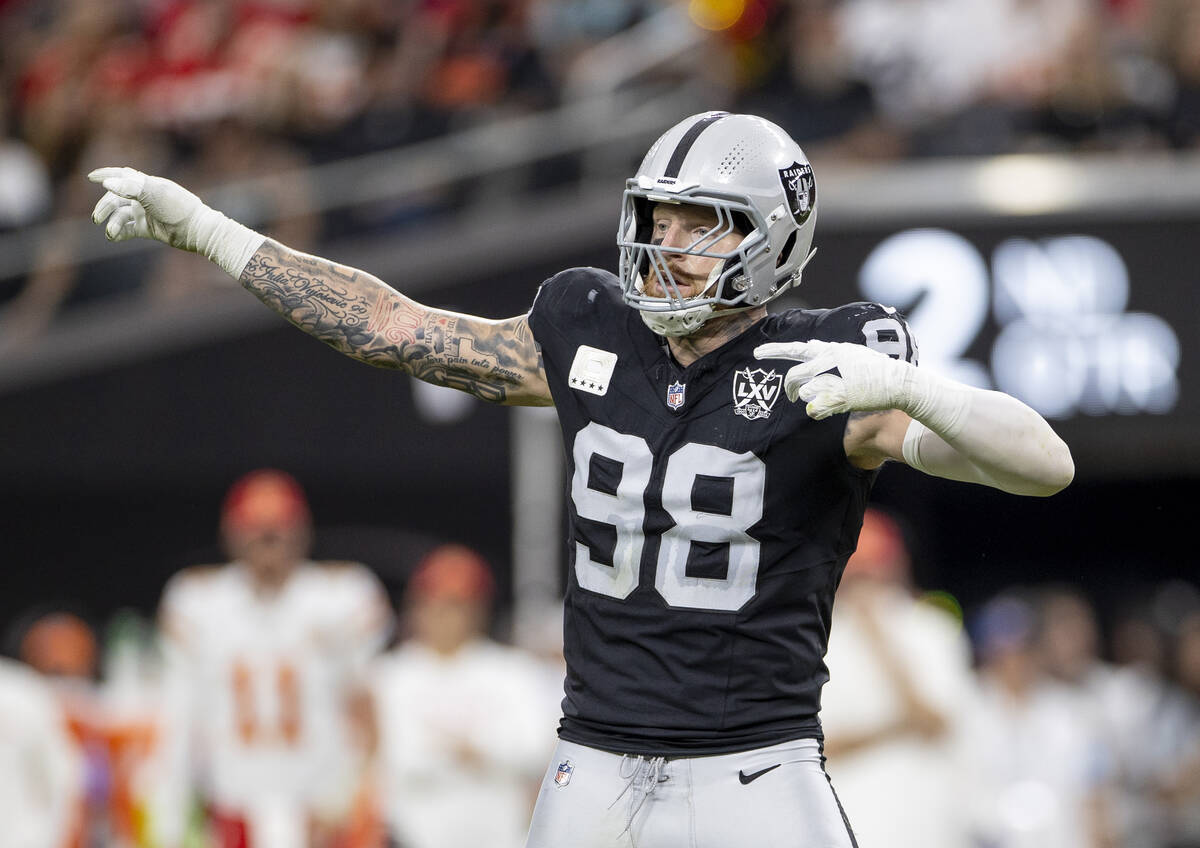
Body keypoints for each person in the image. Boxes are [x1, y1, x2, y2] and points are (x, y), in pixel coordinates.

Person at [88, 111, 1074, 847]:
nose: (664, 246)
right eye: (657, 217)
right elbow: (389, 325)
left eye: (700, 226)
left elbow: (1044, 465)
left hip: (757, 770)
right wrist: (214, 234)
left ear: (769, 236)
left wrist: (913, 390)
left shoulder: (833, 364)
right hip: (592, 764)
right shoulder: (589, 325)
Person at [148, 469, 392, 848]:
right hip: (233, 804)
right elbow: (179, 717)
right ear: (230, 534)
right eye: (255, 529)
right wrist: (170, 816)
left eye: (278, 528)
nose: (267, 540)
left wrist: (358, 793)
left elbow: (368, 705)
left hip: (323, 807)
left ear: (302, 531)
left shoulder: (343, 594)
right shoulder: (197, 601)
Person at [372, 544, 555, 848]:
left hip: (498, 834)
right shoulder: (390, 674)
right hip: (414, 835)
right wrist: (476, 753)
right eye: (433, 603)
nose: (441, 615)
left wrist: (474, 748)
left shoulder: (514, 671)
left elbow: (534, 747)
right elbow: (399, 757)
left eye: (455, 604)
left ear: (478, 610)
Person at [820, 508, 976, 848]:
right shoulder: (819, 637)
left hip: (927, 823)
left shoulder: (931, 627)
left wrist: (880, 642)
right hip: (849, 818)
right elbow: (817, 748)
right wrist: (896, 727)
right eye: (857, 572)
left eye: (874, 571)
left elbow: (940, 724)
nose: (866, 583)